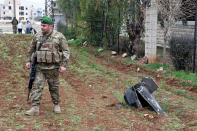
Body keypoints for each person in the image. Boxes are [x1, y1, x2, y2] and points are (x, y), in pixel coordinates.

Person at [25, 16, 70, 116]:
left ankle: (56, 104)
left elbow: (66, 51)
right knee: (37, 87)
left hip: (53, 68)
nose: (42, 27)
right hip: (39, 67)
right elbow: (31, 49)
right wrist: (28, 61)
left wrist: (64, 65)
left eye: (44, 25)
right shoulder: (37, 36)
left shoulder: (59, 36)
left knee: (54, 87)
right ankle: (35, 107)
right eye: (41, 25)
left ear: (50, 26)